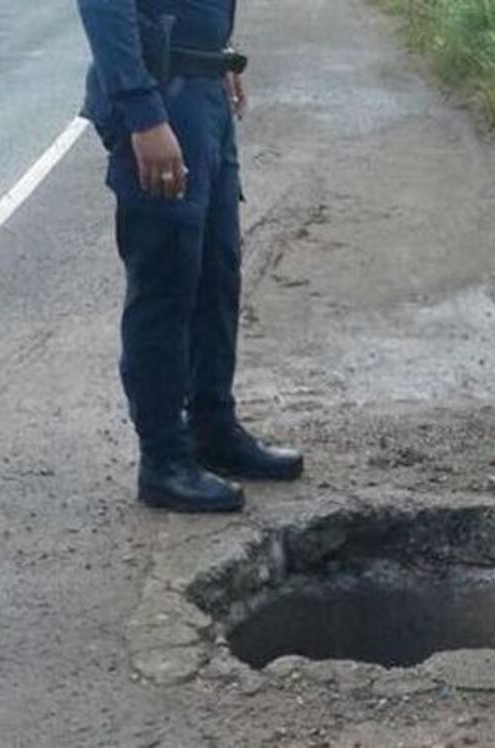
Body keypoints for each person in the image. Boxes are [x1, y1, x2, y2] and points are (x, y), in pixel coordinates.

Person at [77, 0, 303, 513]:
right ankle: (163, 461)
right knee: (167, 282)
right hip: (163, 98)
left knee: (216, 273)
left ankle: (213, 428)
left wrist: (216, 59)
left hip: (202, 91)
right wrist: (143, 113)